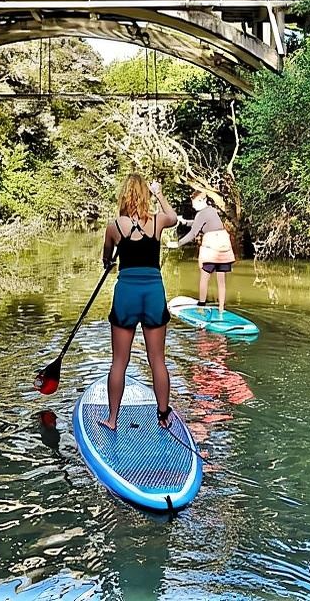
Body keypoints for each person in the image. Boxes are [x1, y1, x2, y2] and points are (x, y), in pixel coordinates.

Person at [99, 174, 179, 431]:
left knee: (119, 361)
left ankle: (112, 420)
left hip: (126, 294)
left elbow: (107, 261)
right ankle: (163, 417)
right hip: (153, 293)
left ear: (124, 196)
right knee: (157, 359)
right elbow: (174, 217)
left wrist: (110, 261)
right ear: (145, 195)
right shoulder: (157, 222)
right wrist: (159, 193)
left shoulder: (114, 227)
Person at [170, 190, 235, 314]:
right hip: (224, 248)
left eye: (194, 203)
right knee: (221, 281)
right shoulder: (211, 211)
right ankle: (221, 309)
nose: (193, 206)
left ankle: (201, 306)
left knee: (204, 278)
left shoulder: (200, 214)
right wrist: (184, 221)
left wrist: (177, 244)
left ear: (201, 201)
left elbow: (194, 233)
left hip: (211, 249)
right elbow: (200, 224)